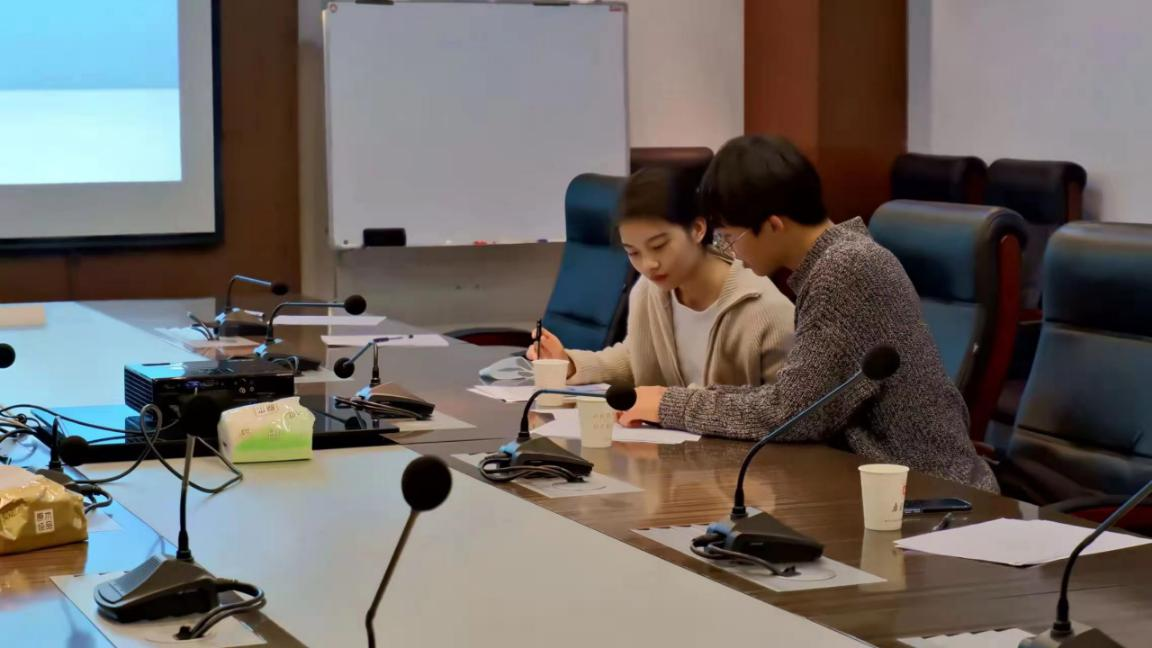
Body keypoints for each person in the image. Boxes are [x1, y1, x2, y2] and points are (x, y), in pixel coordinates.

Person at [617, 135, 998, 492]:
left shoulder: (846, 269)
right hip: (881, 488)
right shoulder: (836, 262)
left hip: (934, 495)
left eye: (731, 238)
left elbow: (791, 413)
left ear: (773, 225)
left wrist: (670, 404)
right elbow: (796, 400)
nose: (732, 253)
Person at [528, 166, 795, 390]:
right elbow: (635, 359)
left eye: (659, 246)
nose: (648, 265)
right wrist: (569, 363)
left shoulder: (767, 311)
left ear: (698, 229)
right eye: (633, 252)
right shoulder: (648, 291)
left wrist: (668, 406)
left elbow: (783, 412)